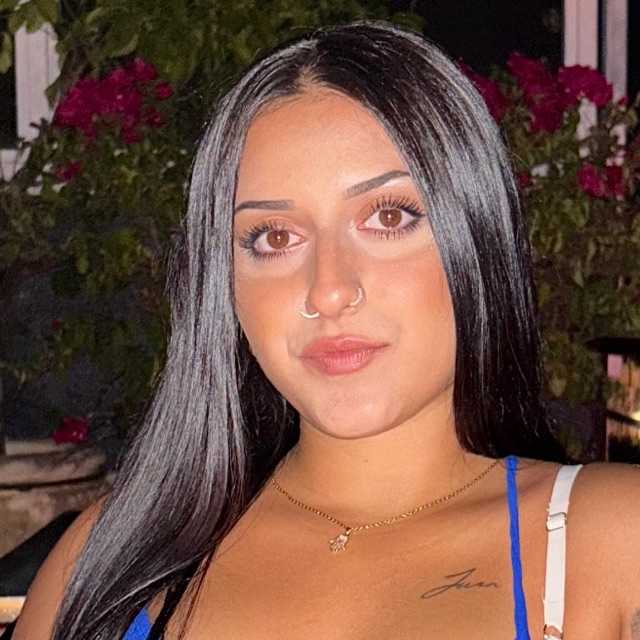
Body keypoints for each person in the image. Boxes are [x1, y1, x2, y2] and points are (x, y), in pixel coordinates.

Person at [13, 21, 640, 640]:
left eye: (388, 217)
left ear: (476, 236)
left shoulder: (611, 540)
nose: (329, 290)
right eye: (274, 237)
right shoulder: (106, 563)